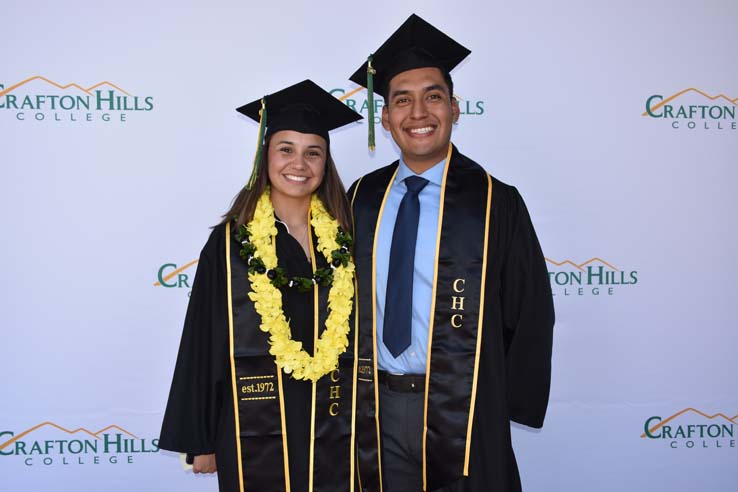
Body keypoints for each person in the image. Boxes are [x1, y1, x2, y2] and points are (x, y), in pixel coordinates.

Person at [347, 14, 555, 492]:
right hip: (371, 408)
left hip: (462, 408)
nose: (418, 113)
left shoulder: (495, 201)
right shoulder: (360, 198)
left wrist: (500, 402)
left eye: (433, 96)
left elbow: (529, 310)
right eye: (402, 100)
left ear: (455, 109)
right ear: (385, 118)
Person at [159, 79, 363, 492]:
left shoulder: (346, 237)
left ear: (326, 163)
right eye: (285, 149)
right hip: (253, 423)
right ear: (264, 157)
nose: (299, 164)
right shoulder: (232, 241)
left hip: (340, 422)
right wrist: (199, 439)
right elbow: (203, 338)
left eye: (313, 153)